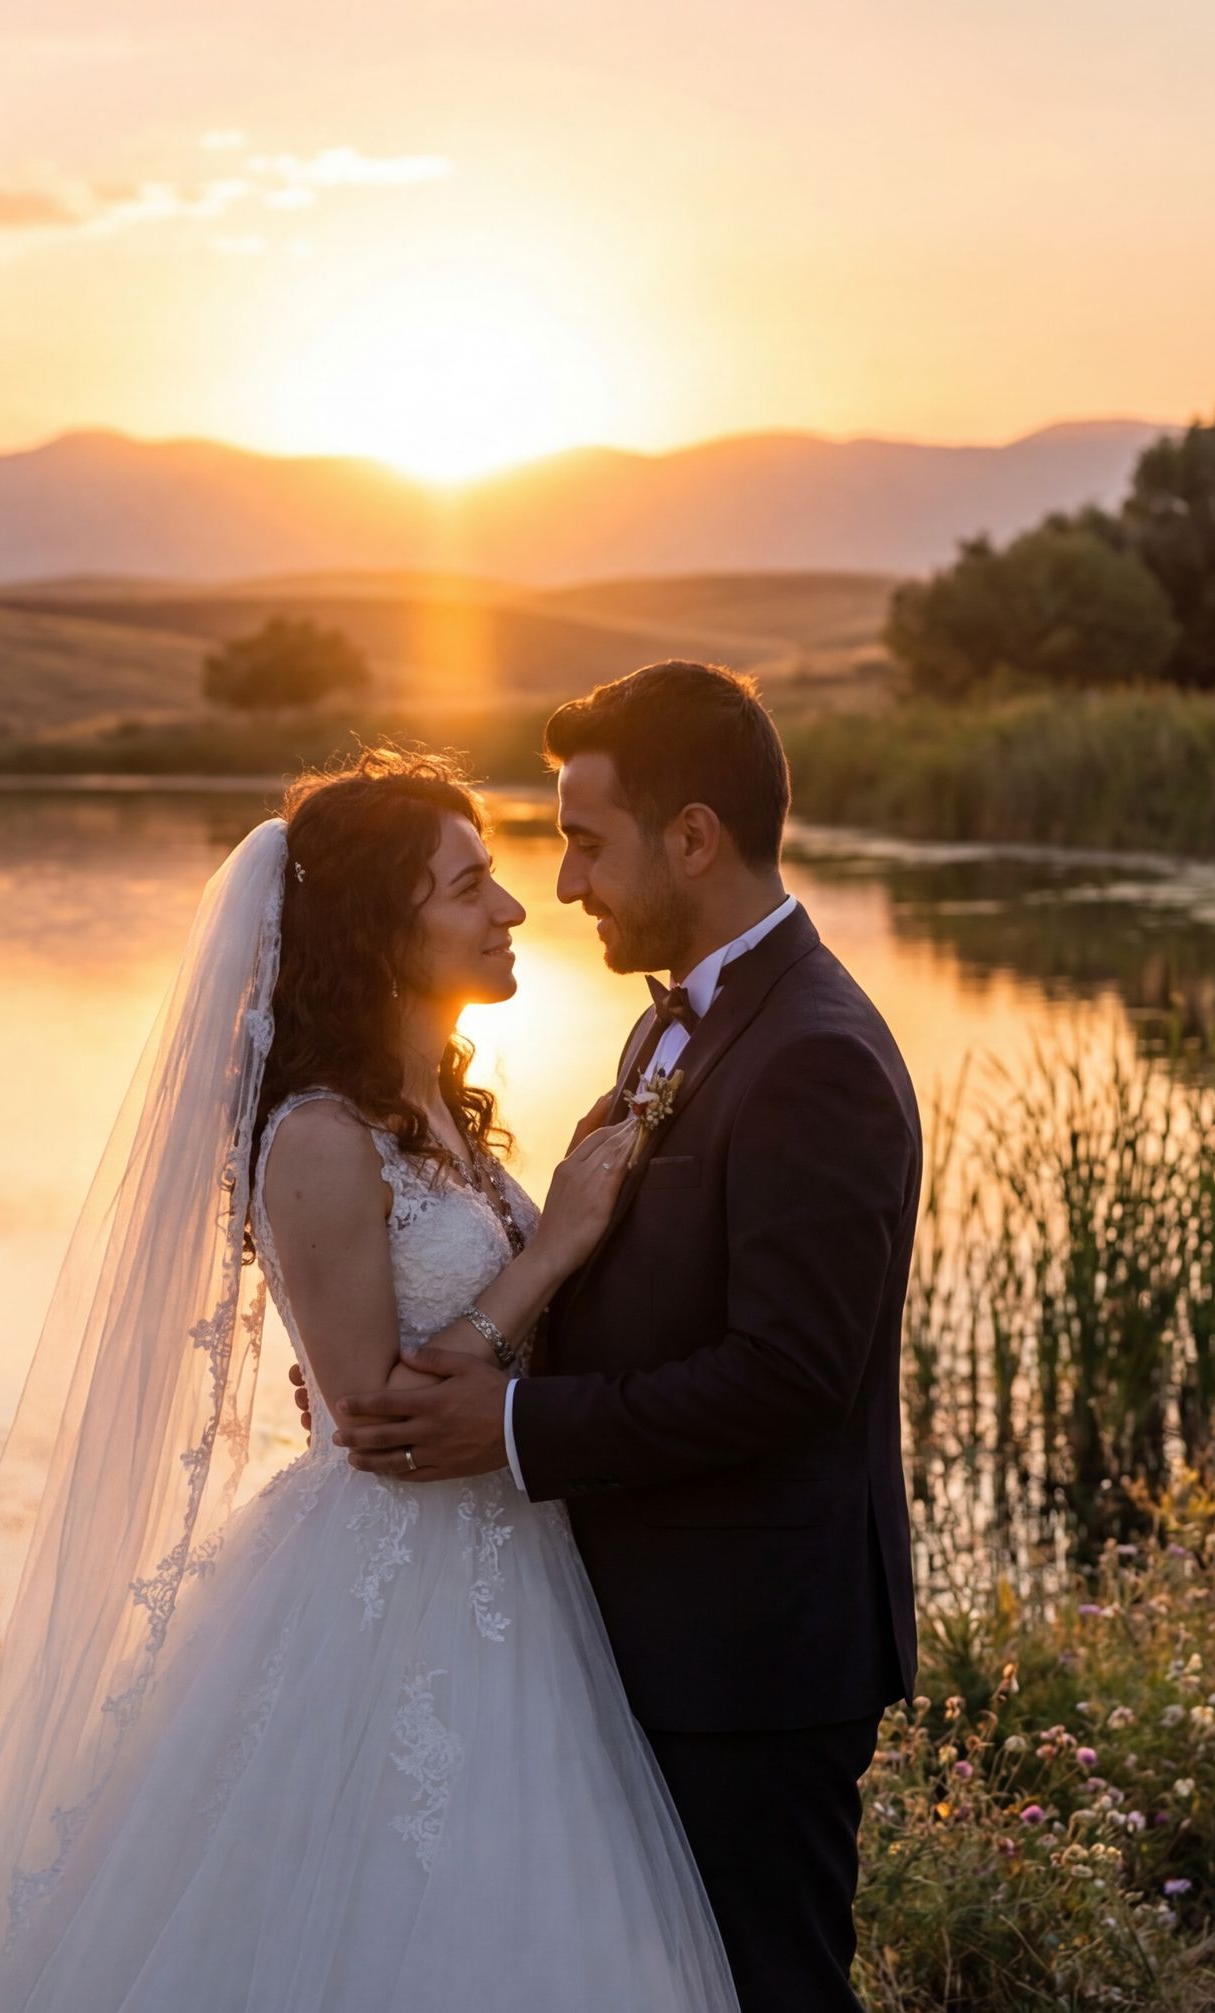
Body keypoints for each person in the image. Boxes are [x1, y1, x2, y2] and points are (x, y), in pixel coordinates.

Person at [0, 747, 737, 2013]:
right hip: (387, 1583)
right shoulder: (315, 1134)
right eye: (468, 886)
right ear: (378, 927)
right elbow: (374, 1415)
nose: (513, 908)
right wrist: (563, 1241)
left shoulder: (449, 1117)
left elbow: (454, 1348)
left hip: (514, 1563)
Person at [329, 662, 923, 2013]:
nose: (570, 882)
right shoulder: (681, 1018)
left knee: (768, 1987)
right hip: (655, 1621)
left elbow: (791, 1374)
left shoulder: (812, 1054)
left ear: (695, 837)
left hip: (752, 1650)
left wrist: (516, 1426)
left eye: (587, 841)